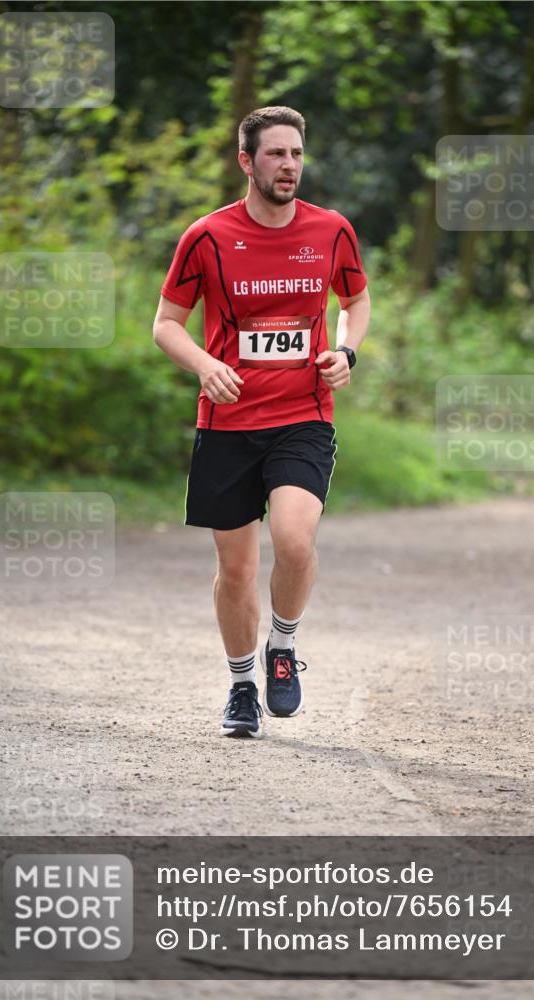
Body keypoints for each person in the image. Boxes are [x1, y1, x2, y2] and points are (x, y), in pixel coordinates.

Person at [153, 106, 371, 738]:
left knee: (296, 540)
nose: (289, 166)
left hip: (304, 414)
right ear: (246, 162)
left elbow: (355, 302)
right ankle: (242, 684)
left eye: (297, 154)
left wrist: (345, 351)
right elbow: (166, 323)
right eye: (276, 154)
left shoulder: (331, 231)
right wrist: (203, 366)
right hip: (227, 422)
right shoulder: (207, 237)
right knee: (238, 570)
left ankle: (283, 646)